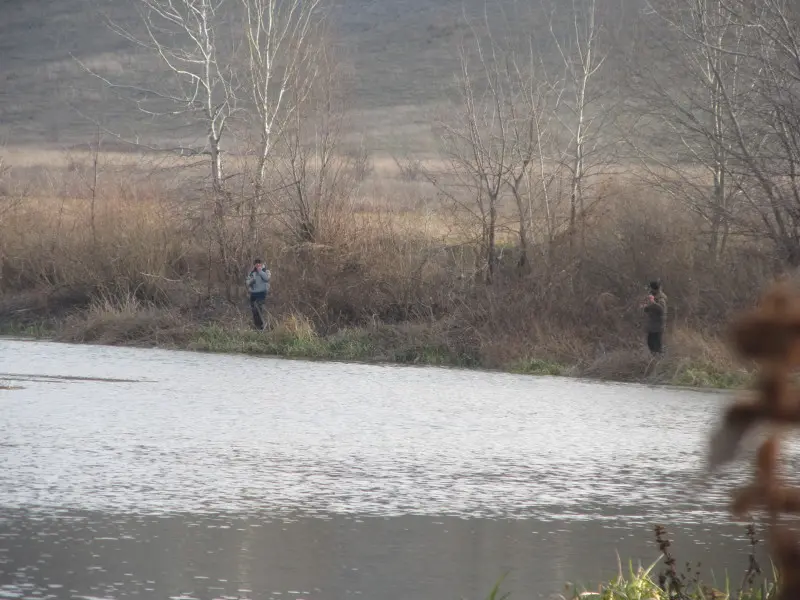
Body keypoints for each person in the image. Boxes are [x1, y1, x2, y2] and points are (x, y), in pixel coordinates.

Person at [642, 280, 667, 354]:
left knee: (657, 346)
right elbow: (648, 308)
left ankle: (659, 361)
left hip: (658, 326)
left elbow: (661, 310)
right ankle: (654, 360)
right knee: (650, 344)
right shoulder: (652, 296)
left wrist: (653, 303)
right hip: (652, 325)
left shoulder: (661, 298)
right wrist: (646, 307)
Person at [245, 259, 271, 330]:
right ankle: (257, 326)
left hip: (262, 293)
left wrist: (260, 271)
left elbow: (266, 279)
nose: (257, 265)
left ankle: (263, 325)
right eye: (256, 264)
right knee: (254, 310)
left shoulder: (266, 271)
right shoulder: (252, 272)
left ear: (261, 264)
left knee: (260, 309)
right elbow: (247, 282)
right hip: (253, 293)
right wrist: (251, 281)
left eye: (259, 263)